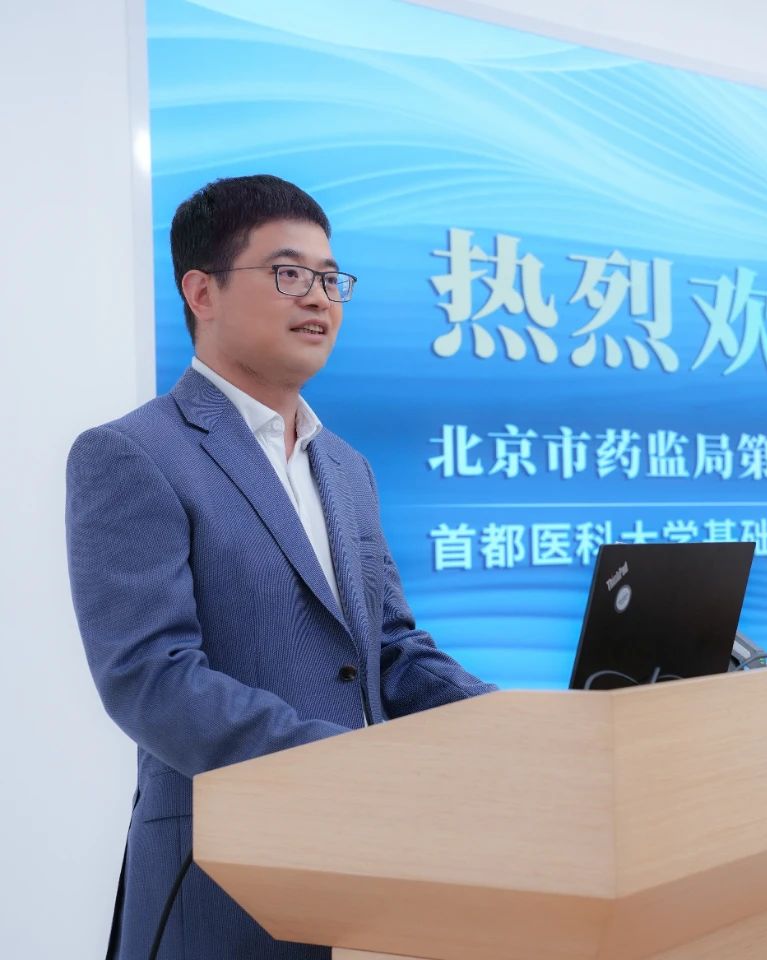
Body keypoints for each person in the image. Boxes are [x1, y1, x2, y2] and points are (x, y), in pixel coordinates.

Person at [65, 174, 496, 959]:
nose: (319, 299)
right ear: (202, 291)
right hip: (220, 882)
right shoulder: (133, 454)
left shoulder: (347, 467)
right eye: (289, 274)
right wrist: (343, 765)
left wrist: (510, 722)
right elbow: (149, 679)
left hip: (371, 875)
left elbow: (390, 651)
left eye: (331, 279)